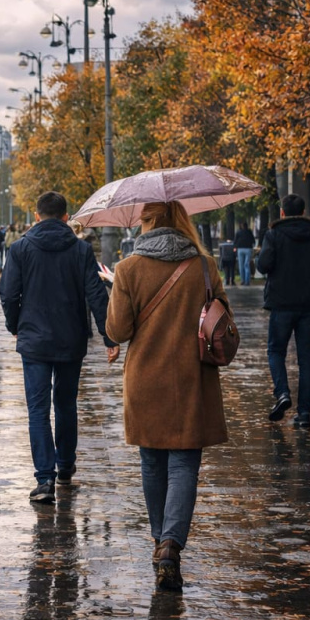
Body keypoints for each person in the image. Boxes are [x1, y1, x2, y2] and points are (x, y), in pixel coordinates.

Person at [105, 200, 231, 591]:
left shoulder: (128, 268)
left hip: (146, 378)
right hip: (193, 377)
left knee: (152, 462)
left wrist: (116, 291)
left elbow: (118, 330)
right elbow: (221, 319)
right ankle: (171, 545)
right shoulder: (205, 266)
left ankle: (161, 539)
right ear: (181, 221)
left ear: (145, 223)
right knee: (184, 465)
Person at [0, 191, 118, 504]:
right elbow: (96, 294)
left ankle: (44, 480)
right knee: (65, 403)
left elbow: (9, 294)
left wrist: (16, 327)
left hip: (34, 341)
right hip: (70, 338)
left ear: (36, 216)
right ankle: (65, 466)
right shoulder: (80, 250)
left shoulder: (20, 248)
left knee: (38, 410)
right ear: (67, 217)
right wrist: (110, 337)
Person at [257, 193, 310, 428]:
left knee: (275, 351)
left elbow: (263, 266)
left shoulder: (273, 235)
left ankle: (282, 393)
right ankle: (304, 413)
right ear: (303, 212)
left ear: (282, 213)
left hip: (281, 305)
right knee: (306, 360)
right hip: (308, 307)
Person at [234, 221, 256, 286]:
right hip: (248, 249)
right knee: (246, 265)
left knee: (241, 266)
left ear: (242, 226)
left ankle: (242, 280)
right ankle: (247, 281)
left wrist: (235, 247)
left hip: (240, 249)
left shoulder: (238, 232)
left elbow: (235, 241)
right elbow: (253, 240)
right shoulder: (249, 232)